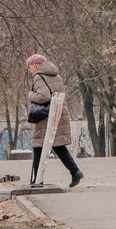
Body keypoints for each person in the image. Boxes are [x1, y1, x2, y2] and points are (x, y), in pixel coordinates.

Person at [26, 54, 84, 188]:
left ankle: (36, 180)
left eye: (30, 66)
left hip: (46, 116)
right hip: (58, 113)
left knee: (38, 146)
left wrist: (31, 95)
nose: (29, 69)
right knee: (57, 145)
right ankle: (75, 172)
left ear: (36, 65)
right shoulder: (56, 75)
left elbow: (44, 96)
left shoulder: (38, 76)